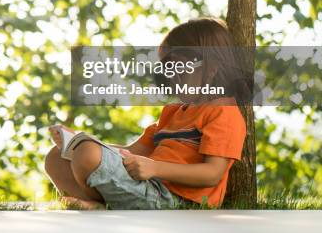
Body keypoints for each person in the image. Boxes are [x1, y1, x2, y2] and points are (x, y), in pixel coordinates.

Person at [45, 17, 247, 209]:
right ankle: (100, 205)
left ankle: (99, 204)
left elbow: (212, 174)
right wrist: (77, 141)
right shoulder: (172, 113)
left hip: (178, 200)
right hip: (148, 186)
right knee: (57, 157)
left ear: (211, 68)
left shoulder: (223, 112)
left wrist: (156, 168)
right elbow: (130, 151)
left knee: (87, 153)